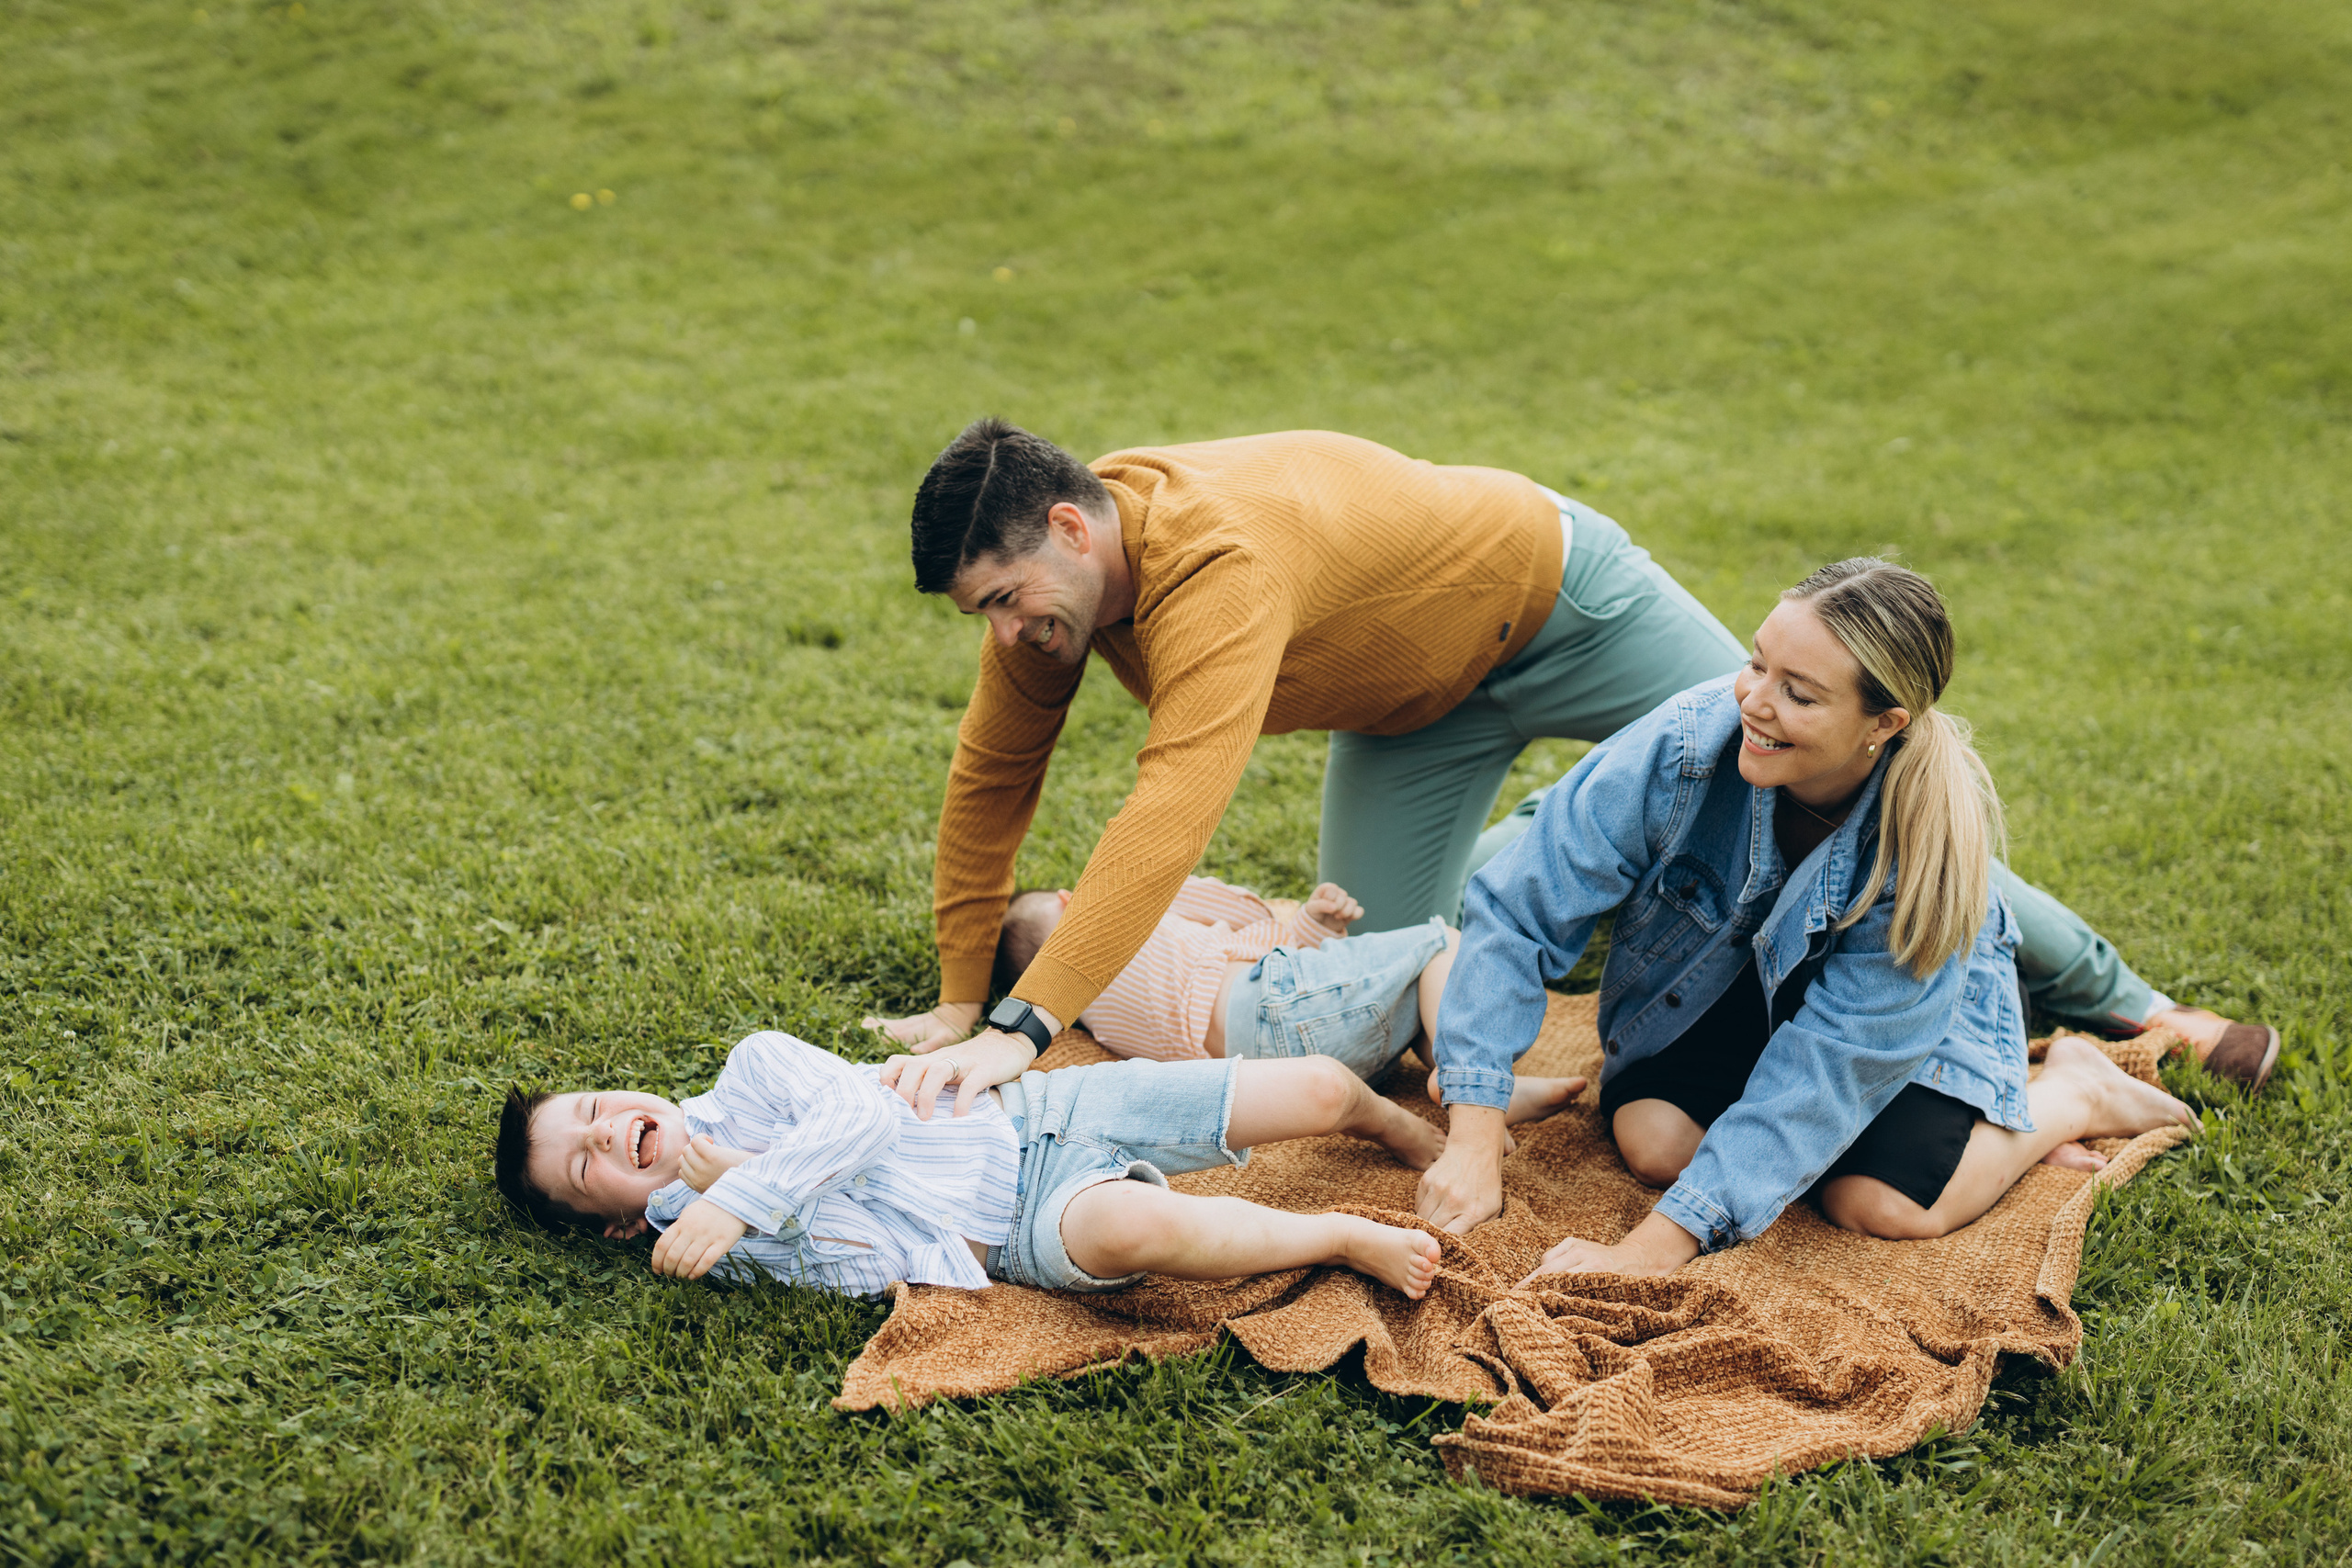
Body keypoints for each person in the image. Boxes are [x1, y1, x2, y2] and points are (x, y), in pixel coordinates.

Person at [867, 421, 2271, 1120]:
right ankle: (1629, 879)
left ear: (1070, 522)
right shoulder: (1054, 601)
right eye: (983, 613)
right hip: (1415, 703)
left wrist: (1026, 1025)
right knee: (1412, 970)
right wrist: (953, 998)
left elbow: (1169, 805)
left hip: (1555, 603)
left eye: (1006, 598)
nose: (1009, 634)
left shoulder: (1209, 568)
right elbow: (993, 780)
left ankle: (2145, 1008)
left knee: (1837, 785)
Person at [1416, 558, 2207, 1268]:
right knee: (1656, 1143)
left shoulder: (1919, 856)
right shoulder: (1686, 743)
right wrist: (1474, 1138)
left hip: (1885, 1033)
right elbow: (1522, 909)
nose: (1754, 703)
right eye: (1757, 663)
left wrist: (1654, 1247)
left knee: (1879, 1204)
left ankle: (2074, 1094)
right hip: (1729, 977)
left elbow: (1830, 1067)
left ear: (1882, 724)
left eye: (1798, 693)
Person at [495, 1027, 1558, 1300]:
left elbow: (862, 1117)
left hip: (1039, 1107)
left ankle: (1404, 1125)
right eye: (586, 1166)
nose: (603, 1133)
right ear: (621, 1222)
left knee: (1321, 1088)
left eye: (591, 1110)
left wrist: (753, 1185)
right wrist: (729, 1198)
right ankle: (1342, 1236)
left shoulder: (755, 1068)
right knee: (1141, 1231)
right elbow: (881, 1261)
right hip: (1024, 1221)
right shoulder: (711, 1247)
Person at [992, 874, 1584, 1119]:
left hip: (1271, 1071)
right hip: (1278, 1002)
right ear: (1075, 902)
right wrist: (1310, 923)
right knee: (1441, 944)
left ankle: (1450, 1068)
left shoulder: (1093, 1018)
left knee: (1410, 993)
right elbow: (1250, 924)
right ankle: (1471, 1082)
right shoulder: (1126, 912)